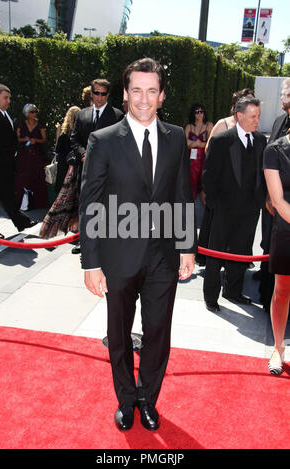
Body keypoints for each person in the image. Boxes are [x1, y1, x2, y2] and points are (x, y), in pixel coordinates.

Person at [79, 58, 196, 431]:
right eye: (136, 90)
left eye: (151, 91)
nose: (143, 99)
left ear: (161, 96)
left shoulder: (176, 137)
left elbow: (182, 194)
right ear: (126, 93)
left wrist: (187, 246)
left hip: (163, 257)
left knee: (158, 333)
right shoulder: (103, 140)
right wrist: (91, 264)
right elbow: (91, 203)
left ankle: (148, 398)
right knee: (119, 334)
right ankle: (126, 399)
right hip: (118, 257)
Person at [202, 96, 267, 312]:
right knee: (216, 254)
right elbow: (208, 177)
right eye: (253, 116)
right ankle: (211, 296)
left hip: (250, 211)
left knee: (241, 253)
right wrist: (215, 206)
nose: (257, 120)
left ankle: (233, 291)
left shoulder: (260, 140)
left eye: (258, 116)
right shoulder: (221, 141)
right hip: (223, 210)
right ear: (239, 116)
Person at [196, 88, 255, 267]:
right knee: (217, 228)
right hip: (222, 188)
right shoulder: (223, 124)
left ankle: (237, 260)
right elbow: (209, 152)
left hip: (244, 191)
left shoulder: (253, 125)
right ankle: (213, 260)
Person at [70, 78, 124, 254]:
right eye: (96, 93)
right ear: (91, 93)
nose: (99, 97)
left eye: (103, 94)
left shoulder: (117, 116)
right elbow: (74, 139)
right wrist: (83, 153)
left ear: (108, 95)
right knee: (86, 206)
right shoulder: (82, 115)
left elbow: (120, 143)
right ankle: (84, 241)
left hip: (107, 172)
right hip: (85, 170)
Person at [258, 78, 290, 312]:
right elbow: (270, 163)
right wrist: (270, 197)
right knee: (269, 246)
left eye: (285, 91)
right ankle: (266, 294)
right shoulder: (279, 121)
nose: (281, 95)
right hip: (275, 206)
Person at [0, 84, 38, 239]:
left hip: (7, 164)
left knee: (7, 196)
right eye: (6, 97)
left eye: (9, 97)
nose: (9, 101)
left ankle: (21, 221)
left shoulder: (4, 114)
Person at [263, 130, 290, 375]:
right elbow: (277, 200)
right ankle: (278, 347)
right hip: (286, 227)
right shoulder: (275, 150)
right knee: (282, 290)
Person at [39, 106, 81, 239]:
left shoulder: (63, 133)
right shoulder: (79, 133)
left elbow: (57, 150)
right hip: (75, 168)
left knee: (62, 198)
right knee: (75, 198)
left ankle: (57, 225)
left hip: (64, 168)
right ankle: (73, 223)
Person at [15, 104, 48, 210]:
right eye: (32, 112)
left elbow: (44, 139)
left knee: (37, 177)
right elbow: (17, 138)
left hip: (36, 154)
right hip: (24, 154)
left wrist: (36, 141)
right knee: (23, 177)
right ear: (27, 113)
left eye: (35, 112)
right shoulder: (21, 124)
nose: (34, 114)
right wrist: (25, 139)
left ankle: (38, 203)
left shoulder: (40, 125)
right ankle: (20, 203)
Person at [184, 103, 213, 203]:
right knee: (190, 185)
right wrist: (196, 143)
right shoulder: (189, 127)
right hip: (191, 161)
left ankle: (206, 214)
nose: (199, 114)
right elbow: (184, 143)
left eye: (201, 111)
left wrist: (194, 144)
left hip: (204, 160)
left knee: (203, 186)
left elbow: (210, 143)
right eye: (197, 112)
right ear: (193, 114)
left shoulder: (209, 125)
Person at [55, 106, 81, 194]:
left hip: (64, 164)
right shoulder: (80, 131)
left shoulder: (64, 132)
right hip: (76, 163)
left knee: (63, 190)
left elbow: (57, 149)